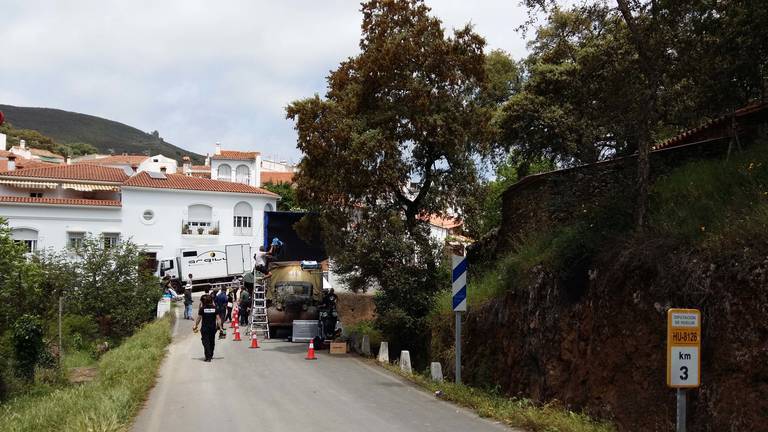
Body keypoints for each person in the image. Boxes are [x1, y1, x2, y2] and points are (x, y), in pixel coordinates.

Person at [193, 293, 221, 362]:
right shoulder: (215, 309)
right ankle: (210, 354)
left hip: (205, 328)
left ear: (205, 301)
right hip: (213, 328)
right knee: (211, 341)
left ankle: (208, 357)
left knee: (205, 342)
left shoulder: (202, 309)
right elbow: (218, 319)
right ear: (212, 301)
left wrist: (196, 325)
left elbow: (199, 318)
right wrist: (220, 327)